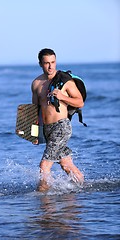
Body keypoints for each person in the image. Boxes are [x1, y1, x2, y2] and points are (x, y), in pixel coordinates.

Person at [31, 48, 84, 191]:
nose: (50, 66)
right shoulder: (36, 84)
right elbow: (35, 111)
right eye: (46, 63)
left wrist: (62, 97)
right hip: (48, 130)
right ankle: (82, 187)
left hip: (61, 127)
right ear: (40, 64)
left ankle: (43, 198)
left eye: (53, 62)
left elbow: (80, 102)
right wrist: (35, 133)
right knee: (66, 164)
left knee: (44, 165)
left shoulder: (65, 81)